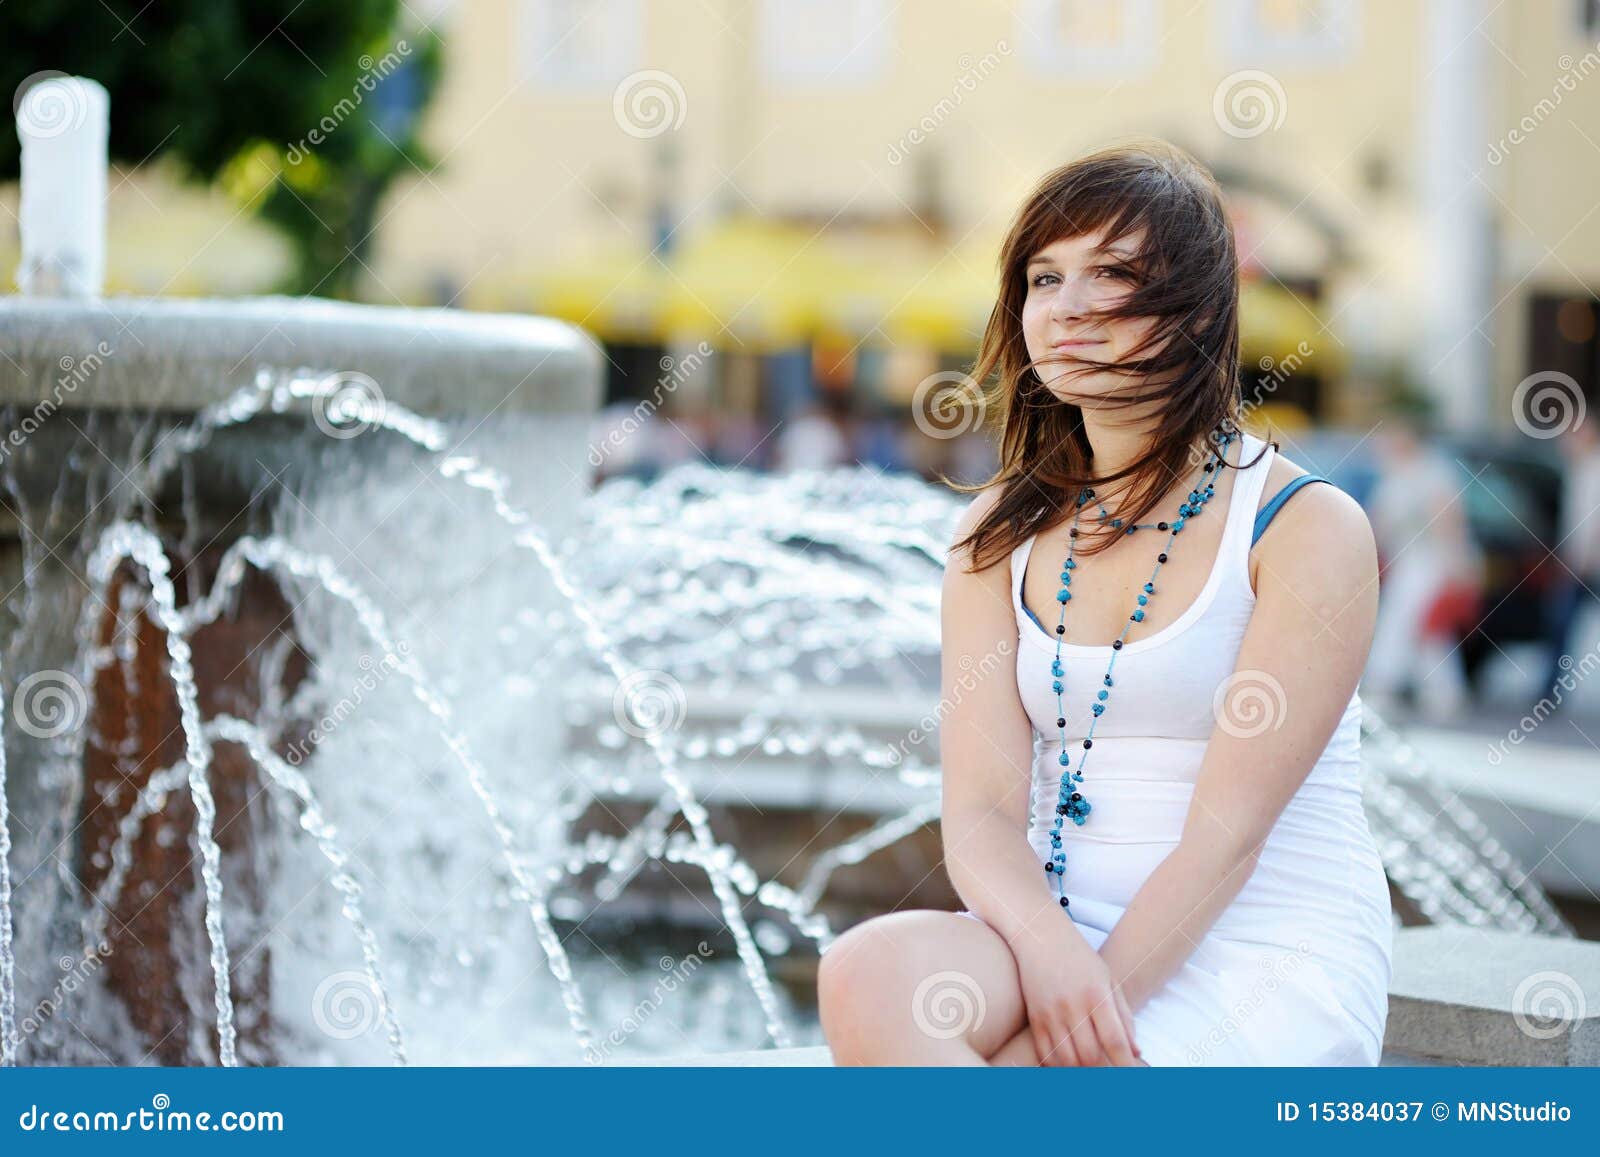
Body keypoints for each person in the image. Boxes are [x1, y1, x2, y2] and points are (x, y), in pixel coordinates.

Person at [816, 140, 1392, 1067]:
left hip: (1259, 943)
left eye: (1111, 273)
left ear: (1200, 310)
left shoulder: (1304, 527)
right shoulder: (993, 537)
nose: (1067, 307)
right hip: (1058, 925)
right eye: (1044, 278)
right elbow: (982, 812)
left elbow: (1228, 835)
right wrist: (1052, 957)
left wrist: (1089, 1005)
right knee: (867, 973)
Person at [1362, 414, 1485, 721]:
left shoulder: (1431, 471)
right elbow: (1380, 522)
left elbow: (1448, 520)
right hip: (1406, 561)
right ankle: (1442, 692)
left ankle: (1383, 688)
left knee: (1403, 623)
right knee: (1426, 629)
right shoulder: (1396, 473)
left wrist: (1455, 564)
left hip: (1429, 561)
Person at [1540, 417, 1600, 707]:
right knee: (1561, 624)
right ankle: (1551, 689)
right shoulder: (1577, 471)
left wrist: (1584, 559)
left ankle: (1550, 689)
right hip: (1578, 563)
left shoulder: (1594, 469)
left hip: (1588, 566)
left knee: (1562, 621)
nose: (1564, 443)